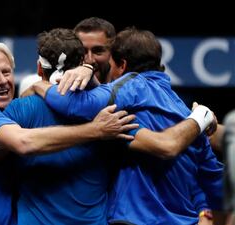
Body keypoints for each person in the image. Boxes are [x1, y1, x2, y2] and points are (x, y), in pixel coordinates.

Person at [0, 35, 215, 225]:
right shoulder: (106, 115)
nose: (3, 80)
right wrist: (198, 121)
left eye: (7, 72)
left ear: (35, 68)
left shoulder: (21, 111)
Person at [28, 27, 223, 225]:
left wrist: (39, 85)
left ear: (122, 65)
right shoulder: (186, 114)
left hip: (134, 220)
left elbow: (76, 105)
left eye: (110, 63)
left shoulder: (133, 86)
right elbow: (219, 188)